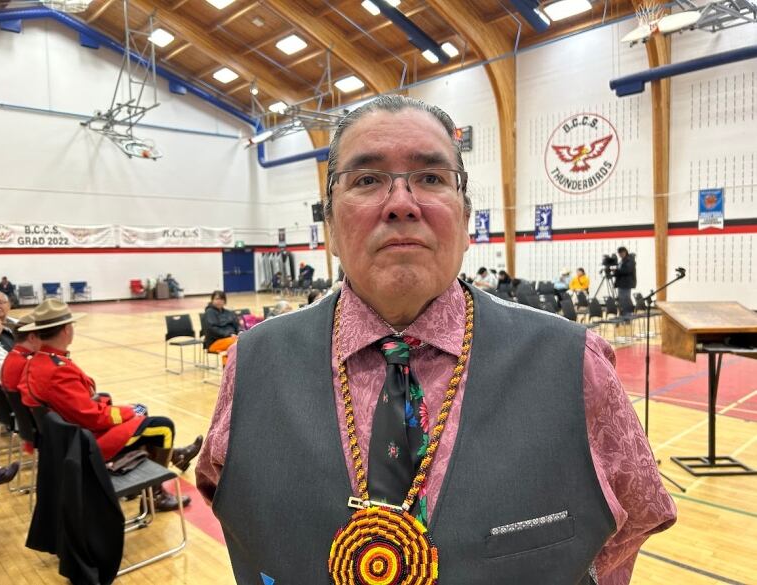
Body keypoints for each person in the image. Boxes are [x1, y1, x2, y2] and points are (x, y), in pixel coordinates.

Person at [196, 95, 675, 584]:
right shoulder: (252, 364)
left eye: (430, 178)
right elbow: (234, 510)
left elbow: (628, 528)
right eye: (366, 180)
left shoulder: (576, 364)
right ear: (330, 226)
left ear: (466, 219)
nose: (402, 204)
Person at [18, 299, 202, 511]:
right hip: (85, 441)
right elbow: (91, 417)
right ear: (67, 330)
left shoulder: (39, 361)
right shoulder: (57, 369)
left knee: (142, 417)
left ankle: (170, 462)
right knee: (161, 424)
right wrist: (128, 411)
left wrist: (108, 404)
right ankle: (155, 495)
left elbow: (75, 404)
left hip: (69, 435)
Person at [204, 290, 241, 362]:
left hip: (231, 339)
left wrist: (240, 332)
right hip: (214, 342)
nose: (219, 301)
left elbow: (237, 325)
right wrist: (229, 335)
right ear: (212, 300)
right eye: (217, 299)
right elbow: (212, 329)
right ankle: (228, 369)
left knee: (242, 341)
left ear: (224, 301)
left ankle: (233, 369)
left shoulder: (229, 313)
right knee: (235, 343)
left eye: (221, 299)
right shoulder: (209, 313)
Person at [612, 247, 636, 314]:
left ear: (625, 252)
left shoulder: (630, 260)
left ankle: (627, 317)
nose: (620, 255)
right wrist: (615, 272)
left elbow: (627, 271)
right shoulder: (622, 260)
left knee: (625, 300)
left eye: (621, 253)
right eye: (619, 254)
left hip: (626, 284)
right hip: (621, 284)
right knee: (621, 301)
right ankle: (622, 316)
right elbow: (621, 271)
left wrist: (616, 271)